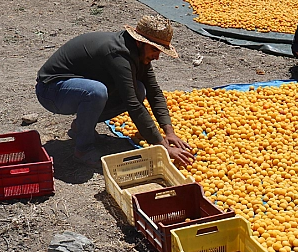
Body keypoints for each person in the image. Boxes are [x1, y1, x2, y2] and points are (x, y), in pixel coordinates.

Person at [35, 15, 194, 167]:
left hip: (73, 89)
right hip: (51, 90)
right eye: (155, 50)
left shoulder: (137, 53)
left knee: (139, 89)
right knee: (96, 92)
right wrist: (161, 145)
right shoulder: (118, 54)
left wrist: (169, 131)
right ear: (140, 42)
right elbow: (132, 104)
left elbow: (154, 91)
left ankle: (81, 128)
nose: (157, 56)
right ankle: (83, 150)